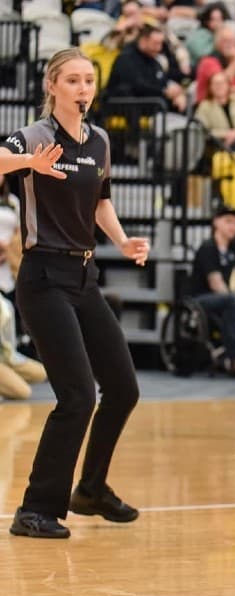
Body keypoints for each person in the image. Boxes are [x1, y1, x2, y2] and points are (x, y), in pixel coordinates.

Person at [0, 48, 150, 538]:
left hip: (84, 278)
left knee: (123, 388)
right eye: (73, 81)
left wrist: (122, 241)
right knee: (78, 395)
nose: (83, 89)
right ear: (52, 86)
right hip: (43, 279)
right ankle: (35, 509)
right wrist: (29, 164)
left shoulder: (99, 140)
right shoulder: (36, 136)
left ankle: (90, 489)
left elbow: (100, 201)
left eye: (89, 80)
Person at [188, 207, 235, 376]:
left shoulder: (231, 247)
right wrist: (233, 298)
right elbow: (215, 283)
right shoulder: (208, 247)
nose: (233, 226)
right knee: (232, 300)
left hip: (222, 299)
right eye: (228, 221)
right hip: (200, 300)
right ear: (216, 222)